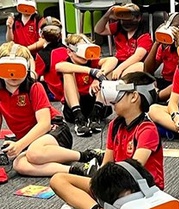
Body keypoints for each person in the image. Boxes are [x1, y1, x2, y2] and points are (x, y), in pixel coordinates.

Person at [50, 72, 163, 209]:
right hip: (115, 185)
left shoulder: (147, 129)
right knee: (58, 179)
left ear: (134, 97)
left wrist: (102, 188)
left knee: (76, 204)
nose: (113, 98)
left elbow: (134, 169)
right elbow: (107, 162)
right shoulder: (114, 125)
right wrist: (98, 183)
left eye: (119, 92)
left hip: (139, 190)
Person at [0, 42, 99, 178]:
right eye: (7, 69)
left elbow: (44, 124)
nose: (13, 75)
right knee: (19, 164)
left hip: (54, 131)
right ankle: (79, 170)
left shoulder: (34, 87)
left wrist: (19, 145)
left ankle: (86, 155)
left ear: (27, 67)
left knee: (34, 153)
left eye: (18, 69)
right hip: (29, 141)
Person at [55, 34, 117, 136]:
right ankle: (79, 119)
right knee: (67, 73)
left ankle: (95, 115)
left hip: (95, 103)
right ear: (69, 52)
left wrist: (98, 77)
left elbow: (113, 60)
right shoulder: (67, 63)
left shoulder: (92, 61)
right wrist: (91, 71)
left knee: (108, 70)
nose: (84, 56)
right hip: (75, 106)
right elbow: (59, 66)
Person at [94, 3, 152, 79]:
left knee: (140, 66)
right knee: (112, 60)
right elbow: (98, 30)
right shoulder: (118, 27)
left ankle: (121, 81)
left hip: (132, 64)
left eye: (129, 20)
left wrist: (120, 69)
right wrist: (107, 16)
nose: (126, 23)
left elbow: (138, 56)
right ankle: (101, 78)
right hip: (117, 62)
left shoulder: (145, 36)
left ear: (138, 18)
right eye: (123, 20)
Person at [144, 13, 179, 102]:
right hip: (165, 81)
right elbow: (147, 70)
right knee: (144, 79)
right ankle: (157, 96)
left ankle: (157, 96)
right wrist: (156, 43)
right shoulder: (164, 46)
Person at [34, 16, 65, 100]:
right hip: (70, 89)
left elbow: (35, 76)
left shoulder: (41, 55)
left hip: (53, 93)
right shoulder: (68, 50)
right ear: (60, 35)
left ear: (41, 35)